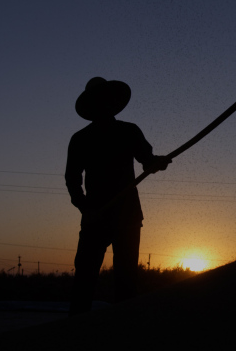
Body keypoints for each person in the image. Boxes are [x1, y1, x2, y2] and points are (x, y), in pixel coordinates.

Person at [65, 77, 170, 315]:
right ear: (91, 106)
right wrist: (85, 208)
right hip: (95, 217)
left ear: (111, 102)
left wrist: (157, 163)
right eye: (97, 101)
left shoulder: (129, 131)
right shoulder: (81, 139)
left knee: (126, 279)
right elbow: (72, 180)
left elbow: (147, 161)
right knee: (85, 277)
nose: (102, 104)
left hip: (127, 216)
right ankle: (75, 330)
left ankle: (124, 330)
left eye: (105, 99)